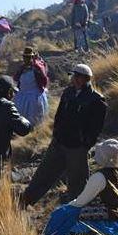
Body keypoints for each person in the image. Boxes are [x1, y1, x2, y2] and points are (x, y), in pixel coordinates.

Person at [21, 64, 106, 207]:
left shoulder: (96, 100)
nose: (74, 79)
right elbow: (59, 116)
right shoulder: (68, 93)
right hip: (59, 142)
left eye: (77, 76)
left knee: (77, 181)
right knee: (44, 172)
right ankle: (26, 201)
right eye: (74, 76)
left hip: (77, 147)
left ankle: (77, 210)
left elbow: (96, 127)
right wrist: (56, 134)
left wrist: (85, 143)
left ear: (85, 79)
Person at [43, 138, 118, 235]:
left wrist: (66, 207)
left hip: (110, 214)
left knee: (65, 212)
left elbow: (81, 202)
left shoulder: (100, 177)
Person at [13, 47, 50, 127]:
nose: (26, 59)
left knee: (33, 117)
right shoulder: (22, 68)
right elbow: (16, 78)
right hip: (22, 95)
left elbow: (44, 80)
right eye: (25, 57)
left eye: (28, 57)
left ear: (32, 57)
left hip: (34, 96)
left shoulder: (37, 69)